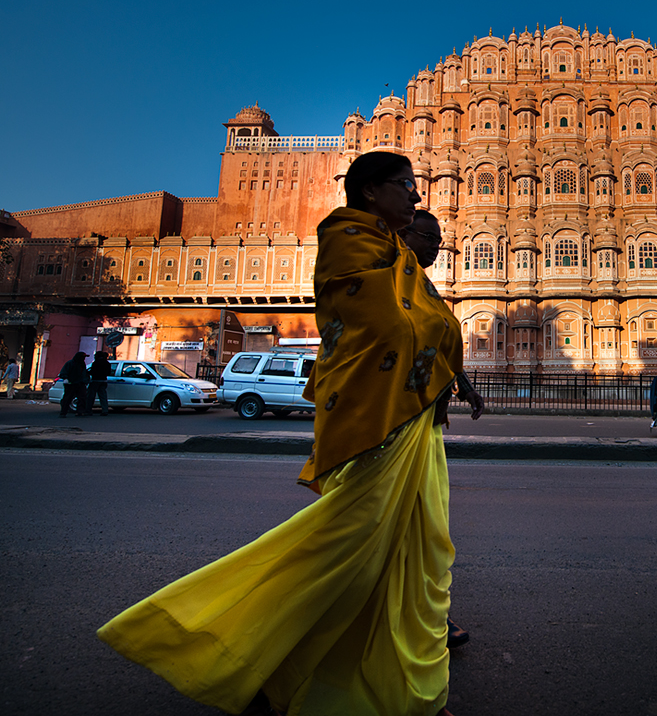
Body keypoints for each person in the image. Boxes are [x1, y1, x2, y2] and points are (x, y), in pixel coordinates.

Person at [98, 151, 482, 716]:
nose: (417, 198)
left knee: (418, 552)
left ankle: (411, 691)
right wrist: (438, 347)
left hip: (414, 419)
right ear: (371, 191)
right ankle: (229, 644)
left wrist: (449, 371)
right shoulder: (347, 238)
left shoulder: (397, 256)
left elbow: (422, 323)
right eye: (406, 186)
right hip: (378, 417)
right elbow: (382, 326)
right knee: (349, 546)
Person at [400, 207, 478, 652]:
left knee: (426, 526)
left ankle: (429, 615)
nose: (437, 245)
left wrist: (461, 383)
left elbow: (437, 337)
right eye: (428, 236)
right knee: (400, 525)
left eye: (439, 238)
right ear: (405, 233)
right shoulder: (394, 272)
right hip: (399, 419)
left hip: (425, 420)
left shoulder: (419, 279)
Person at [57, 352, 89, 418]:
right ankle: (63, 412)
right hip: (71, 384)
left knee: (82, 398)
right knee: (68, 398)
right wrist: (66, 378)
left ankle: (80, 412)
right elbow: (63, 372)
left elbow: (84, 374)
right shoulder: (70, 363)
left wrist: (85, 381)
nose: (84, 359)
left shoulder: (82, 364)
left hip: (80, 383)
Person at [86, 351, 111, 416]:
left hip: (95, 380)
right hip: (103, 381)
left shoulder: (95, 363)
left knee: (91, 396)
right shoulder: (107, 363)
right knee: (103, 396)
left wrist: (88, 372)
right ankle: (105, 410)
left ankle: (88, 410)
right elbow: (109, 373)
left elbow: (93, 372)